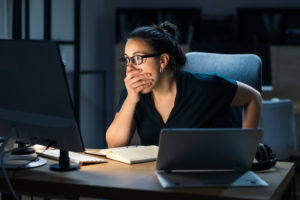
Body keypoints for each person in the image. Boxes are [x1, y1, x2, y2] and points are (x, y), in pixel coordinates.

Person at [106, 21, 262, 148]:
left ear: (163, 61)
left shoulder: (204, 86)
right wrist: (131, 100)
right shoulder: (133, 92)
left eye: (138, 58)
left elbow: (253, 97)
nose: (129, 68)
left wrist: (247, 149)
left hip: (207, 174)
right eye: (127, 59)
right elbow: (114, 144)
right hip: (156, 178)